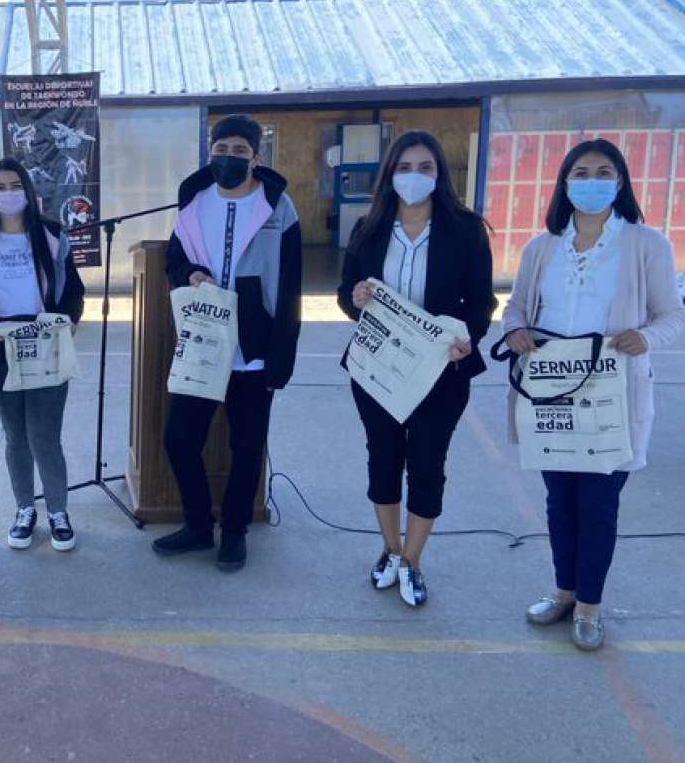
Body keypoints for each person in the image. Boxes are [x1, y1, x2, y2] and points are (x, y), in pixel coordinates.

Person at [502, 138, 685, 650]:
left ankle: (590, 606)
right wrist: (516, 331)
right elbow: (516, 308)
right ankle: (564, 592)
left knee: (598, 505)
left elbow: (673, 314)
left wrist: (645, 338)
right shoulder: (542, 248)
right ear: (565, 184)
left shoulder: (646, 244)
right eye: (580, 172)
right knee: (559, 502)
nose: (591, 181)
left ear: (620, 182)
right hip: (551, 395)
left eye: (603, 171)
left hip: (612, 396)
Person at [337, 130, 496, 607]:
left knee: (427, 467)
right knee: (382, 461)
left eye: (425, 167)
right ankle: (389, 550)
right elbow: (347, 295)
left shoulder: (465, 230)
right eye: (405, 167)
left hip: (440, 375)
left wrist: (468, 338)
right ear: (390, 175)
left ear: (440, 175)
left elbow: (482, 302)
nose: (414, 176)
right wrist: (356, 298)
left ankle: (413, 560)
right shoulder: (368, 227)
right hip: (378, 371)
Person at [155, 113, 302, 572]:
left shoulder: (280, 207)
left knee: (247, 447)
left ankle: (234, 532)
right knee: (179, 439)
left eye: (240, 151)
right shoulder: (194, 202)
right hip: (204, 341)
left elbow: (293, 285)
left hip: (255, 349)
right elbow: (173, 261)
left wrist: (282, 356)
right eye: (221, 150)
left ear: (256, 157)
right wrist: (189, 274)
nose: (229, 158)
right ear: (210, 153)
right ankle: (199, 525)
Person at [0, 159, 86, 552]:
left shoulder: (50, 236)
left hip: (44, 347)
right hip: (0, 350)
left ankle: (58, 512)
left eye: (15, 184)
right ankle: (23, 509)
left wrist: (64, 322)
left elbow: (72, 290)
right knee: (15, 435)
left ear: (28, 191)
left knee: (45, 436)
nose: (8, 192)